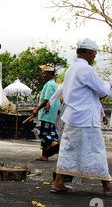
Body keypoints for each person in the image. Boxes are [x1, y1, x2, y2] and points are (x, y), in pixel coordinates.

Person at [47, 38, 112, 196]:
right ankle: (107, 186)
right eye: (94, 54)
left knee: (68, 150)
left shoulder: (71, 69)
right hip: (86, 118)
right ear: (89, 53)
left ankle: (59, 182)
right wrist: (109, 83)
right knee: (96, 150)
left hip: (72, 117)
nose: (94, 57)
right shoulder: (87, 70)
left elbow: (90, 95)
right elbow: (102, 92)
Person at [31, 65, 60, 161]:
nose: (43, 75)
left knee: (42, 133)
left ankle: (56, 146)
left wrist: (37, 109)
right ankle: (45, 155)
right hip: (50, 114)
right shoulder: (53, 84)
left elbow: (47, 99)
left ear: (50, 74)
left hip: (46, 114)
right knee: (50, 133)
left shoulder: (50, 84)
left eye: (44, 73)